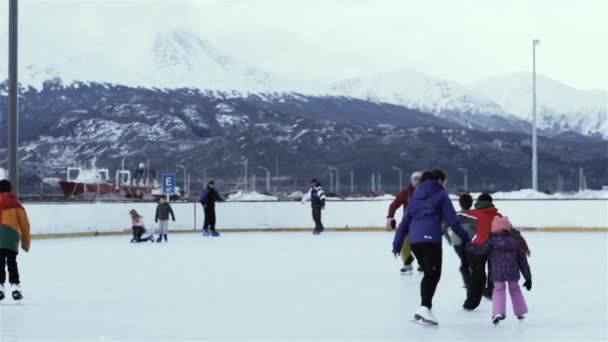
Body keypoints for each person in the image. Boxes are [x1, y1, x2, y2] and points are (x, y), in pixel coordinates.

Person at [392, 170, 470, 325]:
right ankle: (424, 308)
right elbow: (453, 221)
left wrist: (397, 244)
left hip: (415, 241)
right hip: (431, 241)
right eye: (445, 181)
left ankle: (424, 308)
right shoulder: (441, 194)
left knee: (429, 273)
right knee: (433, 274)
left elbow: (404, 223)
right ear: (440, 180)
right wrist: (466, 238)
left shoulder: (414, 196)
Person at [467, 216, 532, 324]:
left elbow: (482, 250)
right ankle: (520, 312)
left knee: (499, 290)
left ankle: (498, 312)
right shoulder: (515, 241)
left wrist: (469, 246)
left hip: (498, 272)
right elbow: (522, 261)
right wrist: (528, 278)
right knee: (515, 290)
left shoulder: (492, 241)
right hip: (513, 272)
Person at [462, 193, 502, 310]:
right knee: (493, 271)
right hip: (494, 247)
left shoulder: (472, 214)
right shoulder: (498, 216)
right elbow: (509, 232)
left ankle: (471, 303)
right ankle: (490, 292)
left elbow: (454, 219)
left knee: (476, 275)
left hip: (476, 248)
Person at [386, 171, 422, 274]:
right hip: (409, 223)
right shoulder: (406, 192)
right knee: (405, 244)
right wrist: (390, 217)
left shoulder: (427, 192)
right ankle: (407, 263)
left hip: (423, 223)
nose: (417, 181)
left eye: (419, 179)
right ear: (411, 181)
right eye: (415, 179)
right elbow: (394, 204)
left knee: (421, 244)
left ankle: (422, 263)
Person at [0, 180, 30, 301]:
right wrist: (25, 243)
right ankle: (15, 288)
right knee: (12, 263)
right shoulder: (17, 205)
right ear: (10, 189)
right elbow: (25, 225)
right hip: (12, 237)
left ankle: (0, 289)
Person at [443, 193, 477, 287]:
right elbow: (477, 229)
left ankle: (468, 282)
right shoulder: (475, 216)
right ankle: (470, 282)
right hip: (471, 242)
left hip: (456, 242)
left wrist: (449, 239)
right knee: (468, 262)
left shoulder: (455, 215)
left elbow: (444, 227)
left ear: (460, 203)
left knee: (465, 261)